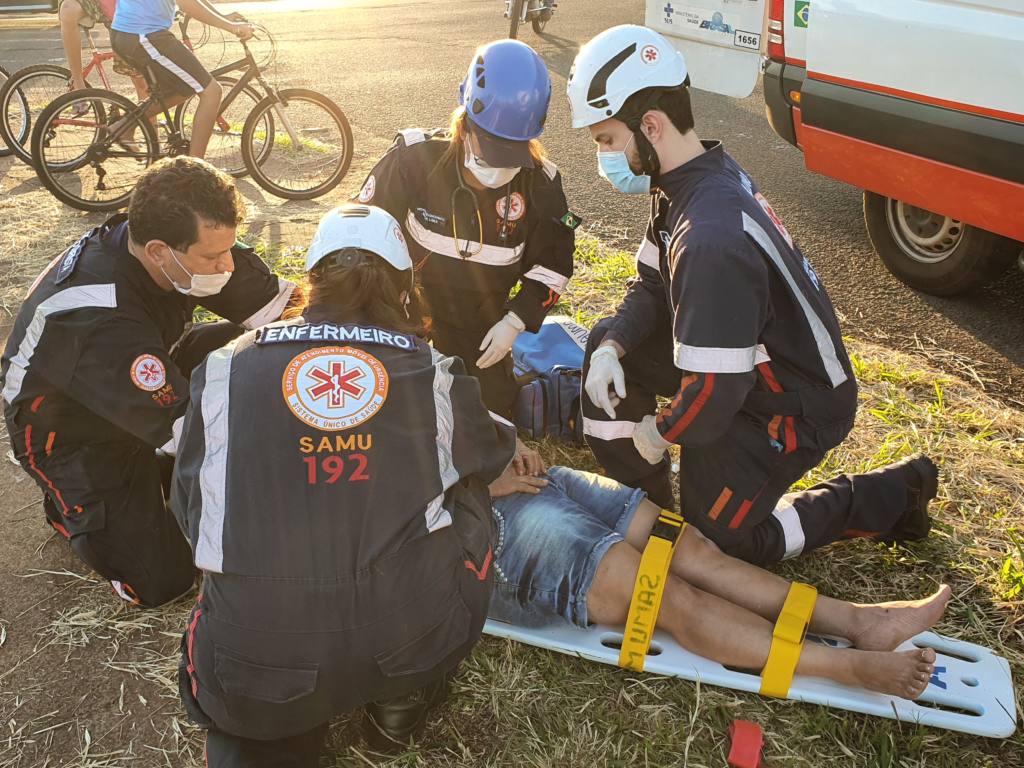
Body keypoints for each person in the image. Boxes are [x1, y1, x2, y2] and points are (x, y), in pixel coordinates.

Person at [565, 25, 938, 566]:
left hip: (792, 403)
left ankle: (891, 495)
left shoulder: (709, 236)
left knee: (718, 543)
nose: (604, 157)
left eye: (606, 140)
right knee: (607, 339)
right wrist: (610, 348)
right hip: (752, 371)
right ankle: (645, 503)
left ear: (651, 125)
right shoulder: (689, 180)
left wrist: (658, 435)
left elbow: (715, 392)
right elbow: (650, 285)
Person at [171, 204, 517, 765]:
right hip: (409, 639)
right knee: (468, 485)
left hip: (254, 662)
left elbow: (191, 510)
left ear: (311, 282)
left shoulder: (224, 366)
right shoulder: (433, 372)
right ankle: (401, 697)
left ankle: (273, 715)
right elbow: (491, 455)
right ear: (406, 289)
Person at [0, 157, 295, 607]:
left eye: (228, 249)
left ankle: (151, 466)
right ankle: (71, 507)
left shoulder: (180, 245)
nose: (227, 265)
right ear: (159, 251)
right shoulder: (96, 315)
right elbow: (190, 433)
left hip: (143, 369)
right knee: (163, 580)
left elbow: (291, 312)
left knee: (257, 342)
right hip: (71, 433)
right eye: (213, 256)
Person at [487, 456, 949, 702]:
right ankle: (848, 668)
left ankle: (857, 623)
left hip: (528, 478)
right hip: (484, 523)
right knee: (666, 592)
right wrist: (476, 484)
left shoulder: (414, 348)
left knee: (690, 550)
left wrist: (507, 443)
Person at [355, 38, 576, 417]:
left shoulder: (540, 183)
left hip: (482, 326)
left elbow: (552, 268)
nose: (499, 165)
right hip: (403, 317)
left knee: (488, 417)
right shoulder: (413, 160)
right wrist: (382, 315)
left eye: (513, 149)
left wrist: (514, 321)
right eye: (490, 144)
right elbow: (358, 239)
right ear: (465, 122)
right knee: (397, 413)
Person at [109, 0, 253, 158]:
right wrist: (232, 27)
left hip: (132, 32)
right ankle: (196, 167)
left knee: (185, 87)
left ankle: (125, 126)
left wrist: (223, 17)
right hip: (145, 34)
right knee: (211, 92)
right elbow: (186, 3)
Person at [59, 0, 148, 99]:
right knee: (68, 9)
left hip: (128, 12)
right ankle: (78, 86)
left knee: (142, 83)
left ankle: (147, 113)